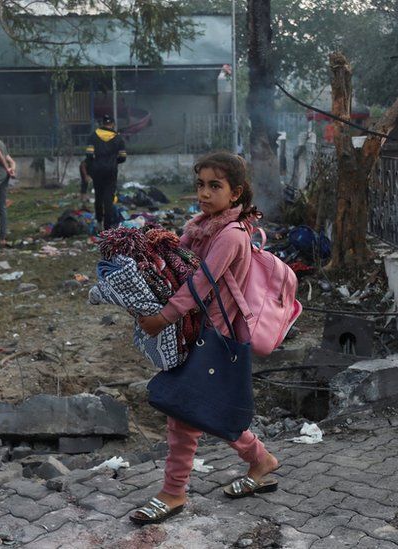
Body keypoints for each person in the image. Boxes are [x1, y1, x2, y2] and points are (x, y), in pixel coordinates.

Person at [132, 152, 280, 525]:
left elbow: (201, 284)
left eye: (215, 186)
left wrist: (164, 316)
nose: (204, 193)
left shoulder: (229, 235)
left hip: (216, 336)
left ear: (236, 193)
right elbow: (178, 265)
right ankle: (260, 460)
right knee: (204, 410)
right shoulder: (201, 226)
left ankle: (173, 492)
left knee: (185, 413)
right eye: (200, 184)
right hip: (198, 332)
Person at [84, 114, 127, 230]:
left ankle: (99, 222)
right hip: (111, 171)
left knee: (98, 196)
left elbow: (89, 155)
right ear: (112, 124)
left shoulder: (93, 136)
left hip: (97, 171)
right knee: (108, 198)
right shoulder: (118, 138)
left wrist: (92, 167)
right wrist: (113, 162)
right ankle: (108, 227)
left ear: (102, 123)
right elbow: (123, 157)